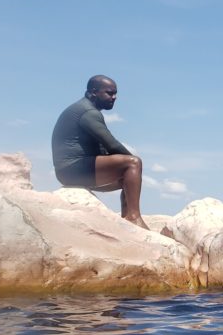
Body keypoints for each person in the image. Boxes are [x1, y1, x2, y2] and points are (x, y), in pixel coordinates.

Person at [51, 75, 149, 229]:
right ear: (93, 92)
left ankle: (127, 218)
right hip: (72, 169)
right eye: (109, 93)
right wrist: (133, 162)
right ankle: (134, 217)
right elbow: (111, 144)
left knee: (129, 178)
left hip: (70, 171)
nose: (114, 97)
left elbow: (104, 149)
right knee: (133, 163)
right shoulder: (87, 112)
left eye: (115, 93)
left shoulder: (86, 110)